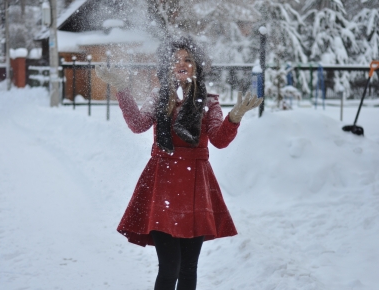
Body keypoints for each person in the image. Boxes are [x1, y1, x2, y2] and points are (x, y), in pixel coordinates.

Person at [96, 36, 262, 290]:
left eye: (188, 59)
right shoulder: (159, 96)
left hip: (195, 189)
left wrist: (234, 117)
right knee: (170, 267)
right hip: (162, 184)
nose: (182, 64)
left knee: (188, 268)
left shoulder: (208, 102)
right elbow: (138, 124)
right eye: (175, 60)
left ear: (197, 65)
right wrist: (122, 90)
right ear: (167, 66)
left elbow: (218, 139)